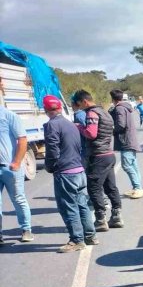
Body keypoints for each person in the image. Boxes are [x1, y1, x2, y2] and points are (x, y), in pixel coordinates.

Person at [42, 95, 98, 252]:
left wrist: (50, 166)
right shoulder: (70, 124)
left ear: (46, 110)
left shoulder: (51, 125)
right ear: (60, 107)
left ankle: (76, 240)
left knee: (68, 207)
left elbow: (52, 150)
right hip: (79, 170)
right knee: (82, 205)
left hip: (66, 173)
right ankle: (90, 235)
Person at [71, 89, 124, 231]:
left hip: (98, 156)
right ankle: (116, 216)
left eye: (79, 104)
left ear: (84, 101)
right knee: (110, 186)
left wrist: (79, 127)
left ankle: (100, 220)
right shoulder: (105, 112)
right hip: (108, 154)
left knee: (94, 187)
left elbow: (91, 133)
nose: (79, 108)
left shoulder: (92, 113)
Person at [0, 105, 33, 244]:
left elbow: (22, 139)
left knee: (18, 199)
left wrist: (17, 162)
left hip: (9, 167)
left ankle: (26, 229)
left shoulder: (9, 116)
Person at [110, 89, 143, 199]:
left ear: (113, 99)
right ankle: (137, 188)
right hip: (130, 140)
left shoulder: (119, 108)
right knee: (133, 165)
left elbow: (121, 125)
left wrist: (112, 130)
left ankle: (137, 188)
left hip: (126, 141)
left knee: (127, 165)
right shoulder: (126, 107)